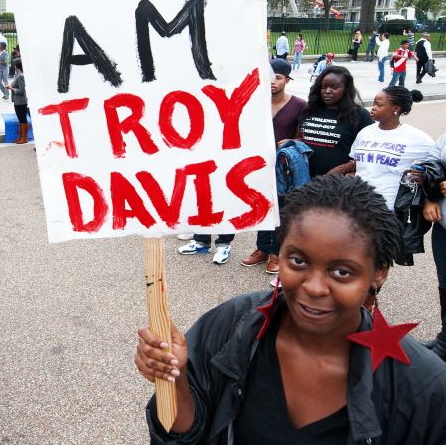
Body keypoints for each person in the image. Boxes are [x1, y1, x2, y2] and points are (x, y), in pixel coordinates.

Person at [137, 174, 446, 445]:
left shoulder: (422, 387)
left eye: (341, 272)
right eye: (298, 261)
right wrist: (174, 379)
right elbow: (184, 435)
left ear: (378, 272)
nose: (313, 287)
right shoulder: (231, 326)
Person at [241, 58, 306, 273]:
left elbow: (303, 137)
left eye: (277, 78)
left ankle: (276, 253)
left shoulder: (298, 105)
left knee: (282, 209)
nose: (272, 82)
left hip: (283, 167)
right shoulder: (256, 101)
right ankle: (261, 248)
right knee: (262, 206)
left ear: (287, 80)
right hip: (259, 164)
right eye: (269, 77)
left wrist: (293, 142)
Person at [351, 87, 432, 211]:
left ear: (396, 109)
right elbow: (356, 163)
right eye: (373, 103)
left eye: (379, 105)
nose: (373, 107)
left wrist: (424, 177)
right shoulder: (365, 132)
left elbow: (438, 162)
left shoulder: (416, 137)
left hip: (389, 209)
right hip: (357, 204)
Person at [299, 65, 373, 177]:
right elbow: (302, 137)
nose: (327, 91)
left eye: (334, 87)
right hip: (303, 179)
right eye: (323, 87)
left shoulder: (360, 115)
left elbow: (370, 152)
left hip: (338, 183)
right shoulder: (309, 110)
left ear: (346, 88)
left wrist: (346, 168)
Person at [422, 133, 446, 360]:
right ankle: (445, 340)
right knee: (445, 283)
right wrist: (431, 196)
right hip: (444, 227)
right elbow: (431, 163)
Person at [6, 58, 29, 144]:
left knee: (23, 119)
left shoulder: (20, 76)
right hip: (17, 101)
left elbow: (21, 91)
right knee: (20, 119)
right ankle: (21, 137)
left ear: (16, 66)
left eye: (14, 64)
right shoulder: (19, 75)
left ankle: (24, 138)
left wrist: (11, 88)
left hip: (21, 101)